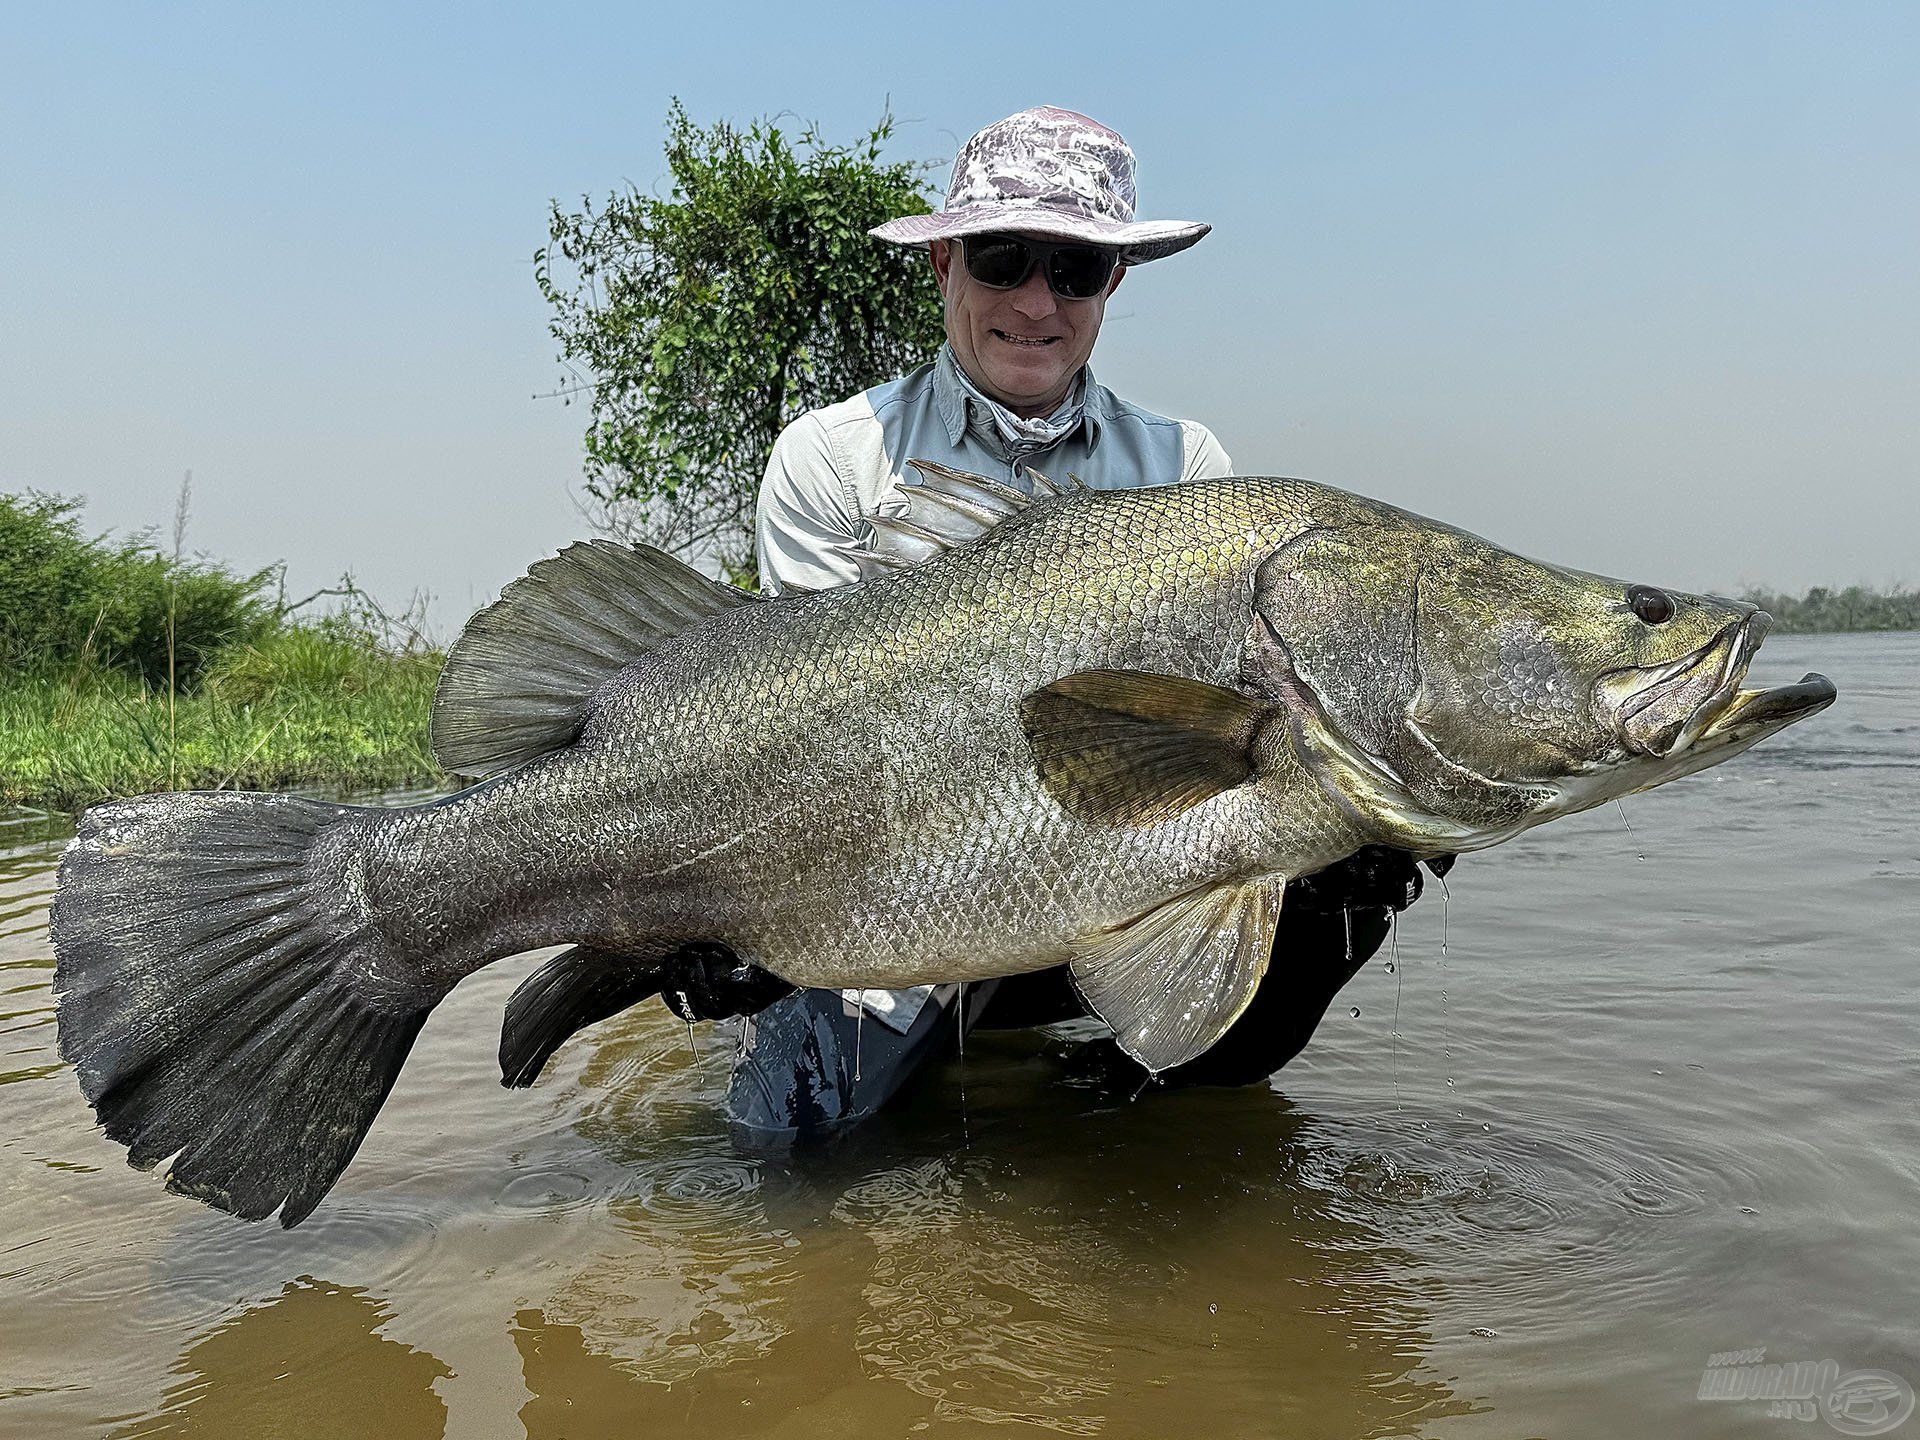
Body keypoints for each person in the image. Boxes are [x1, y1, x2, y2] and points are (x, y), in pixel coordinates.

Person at [726, 106, 1433, 1140]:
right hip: (886, 900)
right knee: (792, 1158)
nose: (1034, 301)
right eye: (1003, 259)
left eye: (1075, 269)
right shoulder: (834, 460)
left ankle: (1131, 1086)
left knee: (1336, 856)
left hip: (1112, 887)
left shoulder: (1186, 472)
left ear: (1114, 286)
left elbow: (1214, 768)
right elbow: (810, 747)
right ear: (943, 267)